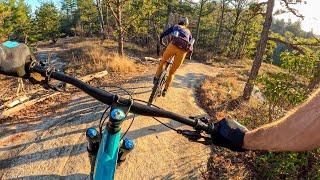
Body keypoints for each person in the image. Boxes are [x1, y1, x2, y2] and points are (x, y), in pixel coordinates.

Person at [1, 44, 320, 153]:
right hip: (180, 56)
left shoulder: (175, 31)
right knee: (172, 71)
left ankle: (157, 75)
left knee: (162, 64)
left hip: (169, 51)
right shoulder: (189, 37)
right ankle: (165, 83)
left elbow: (166, 37)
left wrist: (162, 48)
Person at [154, 17, 194, 97]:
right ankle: (165, 89)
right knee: (172, 72)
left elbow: (164, 34)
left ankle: (156, 78)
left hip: (173, 45)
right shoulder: (188, 32)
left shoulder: (176, 26)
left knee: (163, 61)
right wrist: (189, 55)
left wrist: (161, 39)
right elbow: (191, 45)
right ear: (186, 24)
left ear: (179, 22)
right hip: (183, 51)